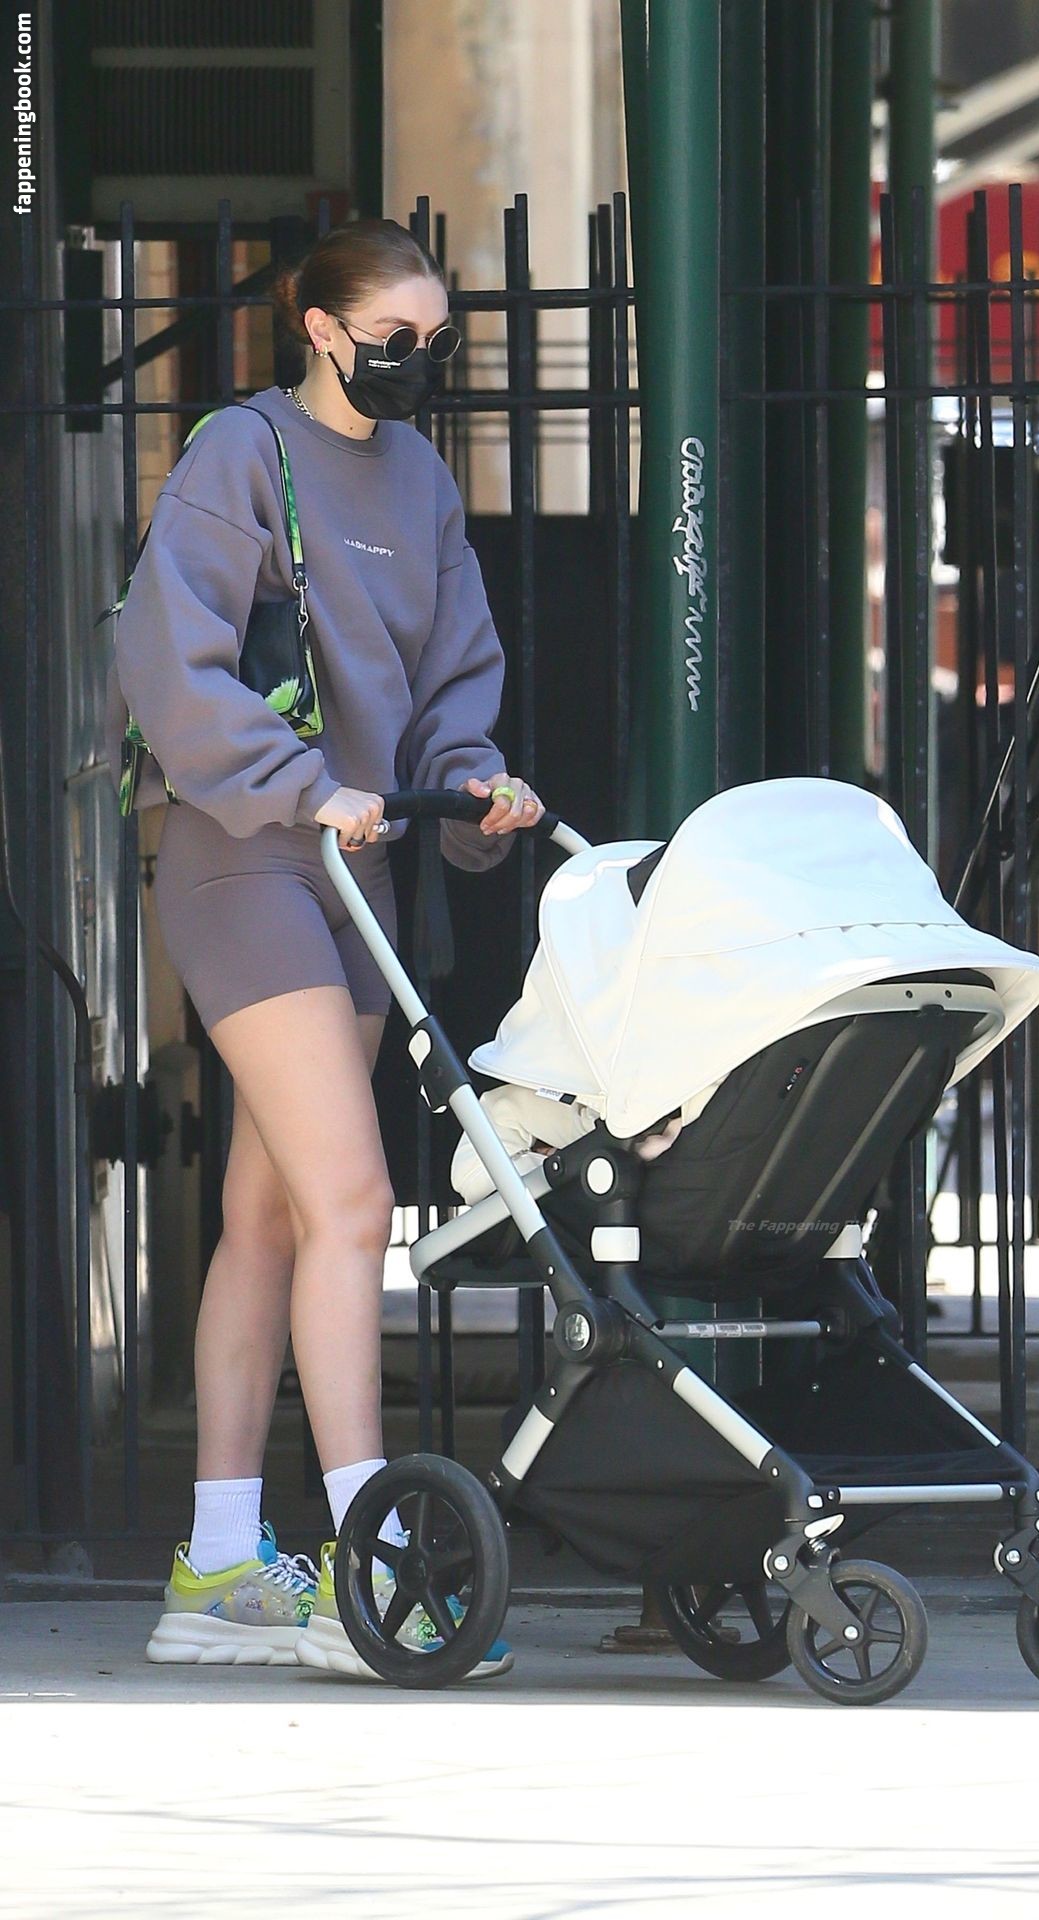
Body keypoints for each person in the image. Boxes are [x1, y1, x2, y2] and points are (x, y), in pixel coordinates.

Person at [104, 218, 542, 1678]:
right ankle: (373, 1570)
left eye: (438, 339)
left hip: (360, 871)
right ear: (321, 329)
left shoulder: (422, 482)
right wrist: (303, 786)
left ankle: (219, 1566)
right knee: (355, 1199)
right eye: (394, 338)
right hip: (245, 856)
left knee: (273, 1217)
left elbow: (453, 679)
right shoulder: (242, 453)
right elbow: (170, 660)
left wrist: (473, 784)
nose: (419, 361)